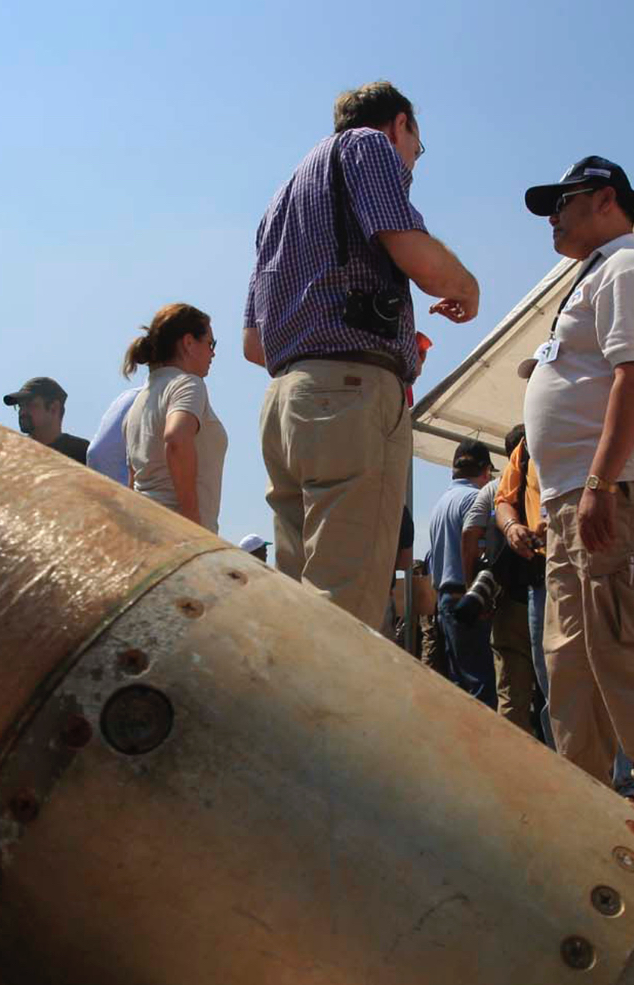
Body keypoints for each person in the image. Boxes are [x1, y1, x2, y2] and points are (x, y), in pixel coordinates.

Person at [245, 81, 480, 624]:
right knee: (345, 611)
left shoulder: (281, 200)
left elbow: (253, 344)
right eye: (416, 148)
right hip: (346, 398)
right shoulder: (366, 145)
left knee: (299, 608)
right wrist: (466, 287)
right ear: (399, 125)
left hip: (284, 402)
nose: (412, 163)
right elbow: (410, 247)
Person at [517, 153, 634, 842]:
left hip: (618, 487)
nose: (552, 219)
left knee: (633, 649)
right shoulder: (595, 276)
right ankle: (585, 815)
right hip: (577, 498)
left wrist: (599, 481)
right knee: (572, 663)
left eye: (560, 204)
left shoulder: (628, 267)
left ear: (602, 199)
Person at [122, 304, 227, 532]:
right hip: (180, 534)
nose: (213, 353)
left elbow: (133, 480)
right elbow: (176, 439)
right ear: (188, 343)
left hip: (146, 531)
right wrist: (191, 520)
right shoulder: (188, 384)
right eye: (210, 344)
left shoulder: (137, 405)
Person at [464, 427, 539, 738]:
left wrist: (474, 586)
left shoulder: (493, 490)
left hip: (508, 597)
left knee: (511, 690)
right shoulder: (545, 473)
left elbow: (470, 534)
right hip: (544, 589)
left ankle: (514, 758)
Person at [495, 433, 556, 750]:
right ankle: (566, 767)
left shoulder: (594, 418)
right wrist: (512, 527)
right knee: (550, 682)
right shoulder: (527, 445)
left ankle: (623, 776)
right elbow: (503, 500)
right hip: (542, 577)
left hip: (596, 567)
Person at [427, 442, 499, 708]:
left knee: (460, 683)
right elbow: (479, 549)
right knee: (481, 684)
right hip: (467, 598)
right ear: (486, 470)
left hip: (445, 599)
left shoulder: (441, 503)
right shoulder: (474, 500)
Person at [4, 377, 88, 464]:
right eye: (20, 406)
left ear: (54, 408)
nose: (22, 412)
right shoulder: (11, 455)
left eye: (29, 404)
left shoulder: (82, 453)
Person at [87, 385, 146, 485]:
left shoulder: (127, 398)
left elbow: (97, 453)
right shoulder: (164, 399)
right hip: (132, 489)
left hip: (104, 487)